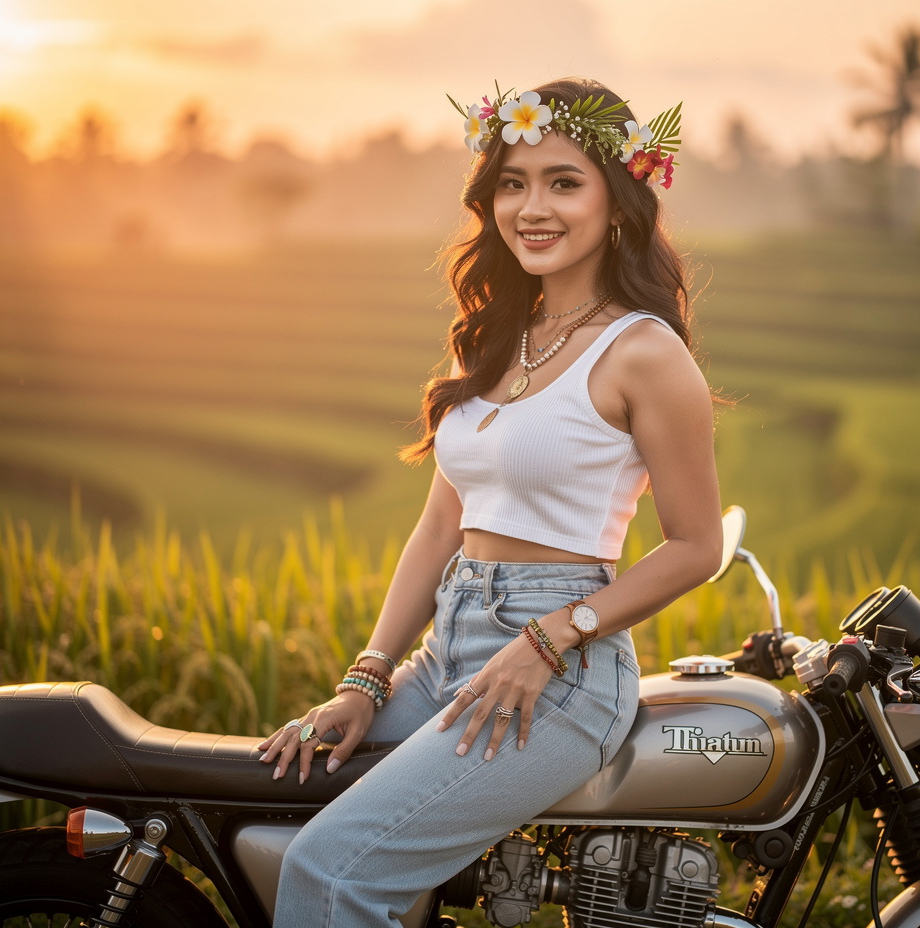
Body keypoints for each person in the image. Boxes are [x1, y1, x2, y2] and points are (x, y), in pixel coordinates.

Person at [259, 76, 723, 927]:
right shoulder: (500, 340)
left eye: (563, 181)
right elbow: (441, 524)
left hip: (562, 672)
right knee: (273, 814)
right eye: (512, 182)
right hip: (448, 651)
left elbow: (697, 547)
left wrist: (551, 638)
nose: (531, 207)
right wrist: (367, 676)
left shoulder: (644, 353)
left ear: (618, 202)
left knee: (327, 874)